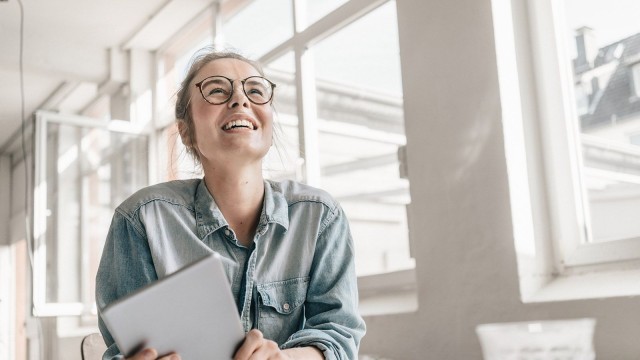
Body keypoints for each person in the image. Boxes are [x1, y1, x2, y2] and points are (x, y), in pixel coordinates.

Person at [95, 47, 366, 360]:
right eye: (217, 91)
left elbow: (339, 337)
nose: (241, 100)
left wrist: (284, 358)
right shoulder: (141, 219)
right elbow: (122, 350)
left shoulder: (320, 216)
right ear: (186, 132)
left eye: (254, 90)